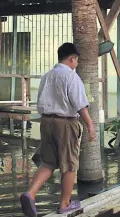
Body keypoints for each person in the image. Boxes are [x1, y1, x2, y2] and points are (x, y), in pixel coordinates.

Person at [20, 43, 95, 217]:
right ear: (72, 58)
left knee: (48, 162)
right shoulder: (71, 76)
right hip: (65, 123)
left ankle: (30, 194)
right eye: (76, 59)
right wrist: (90, 124)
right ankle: (64, 204)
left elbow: (40, 101)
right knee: (69, 165)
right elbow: (79, 104)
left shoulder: (47, 76)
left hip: (46, 121)